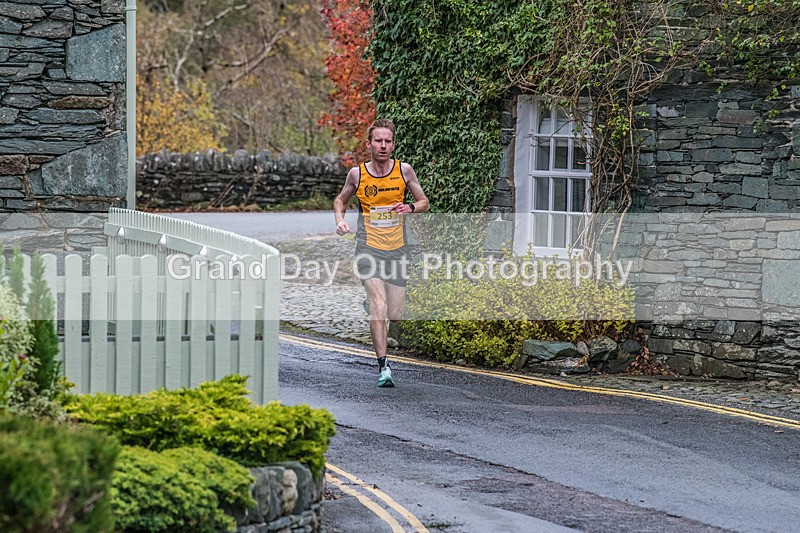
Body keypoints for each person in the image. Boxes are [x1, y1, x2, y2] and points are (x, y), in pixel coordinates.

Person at [333, 119, 429, 387]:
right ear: (369, 144)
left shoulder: (404, 171)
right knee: (379, 306)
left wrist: (409, 208)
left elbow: (424, 202)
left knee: (395, 313)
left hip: (397, 250)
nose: (383, 146)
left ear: (393, 144)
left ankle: (373, 307)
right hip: (368, 248)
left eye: (388, 141)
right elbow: (340, 200)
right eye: (378, 141)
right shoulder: (357, 175)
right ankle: (384, 368)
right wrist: (340, 220)